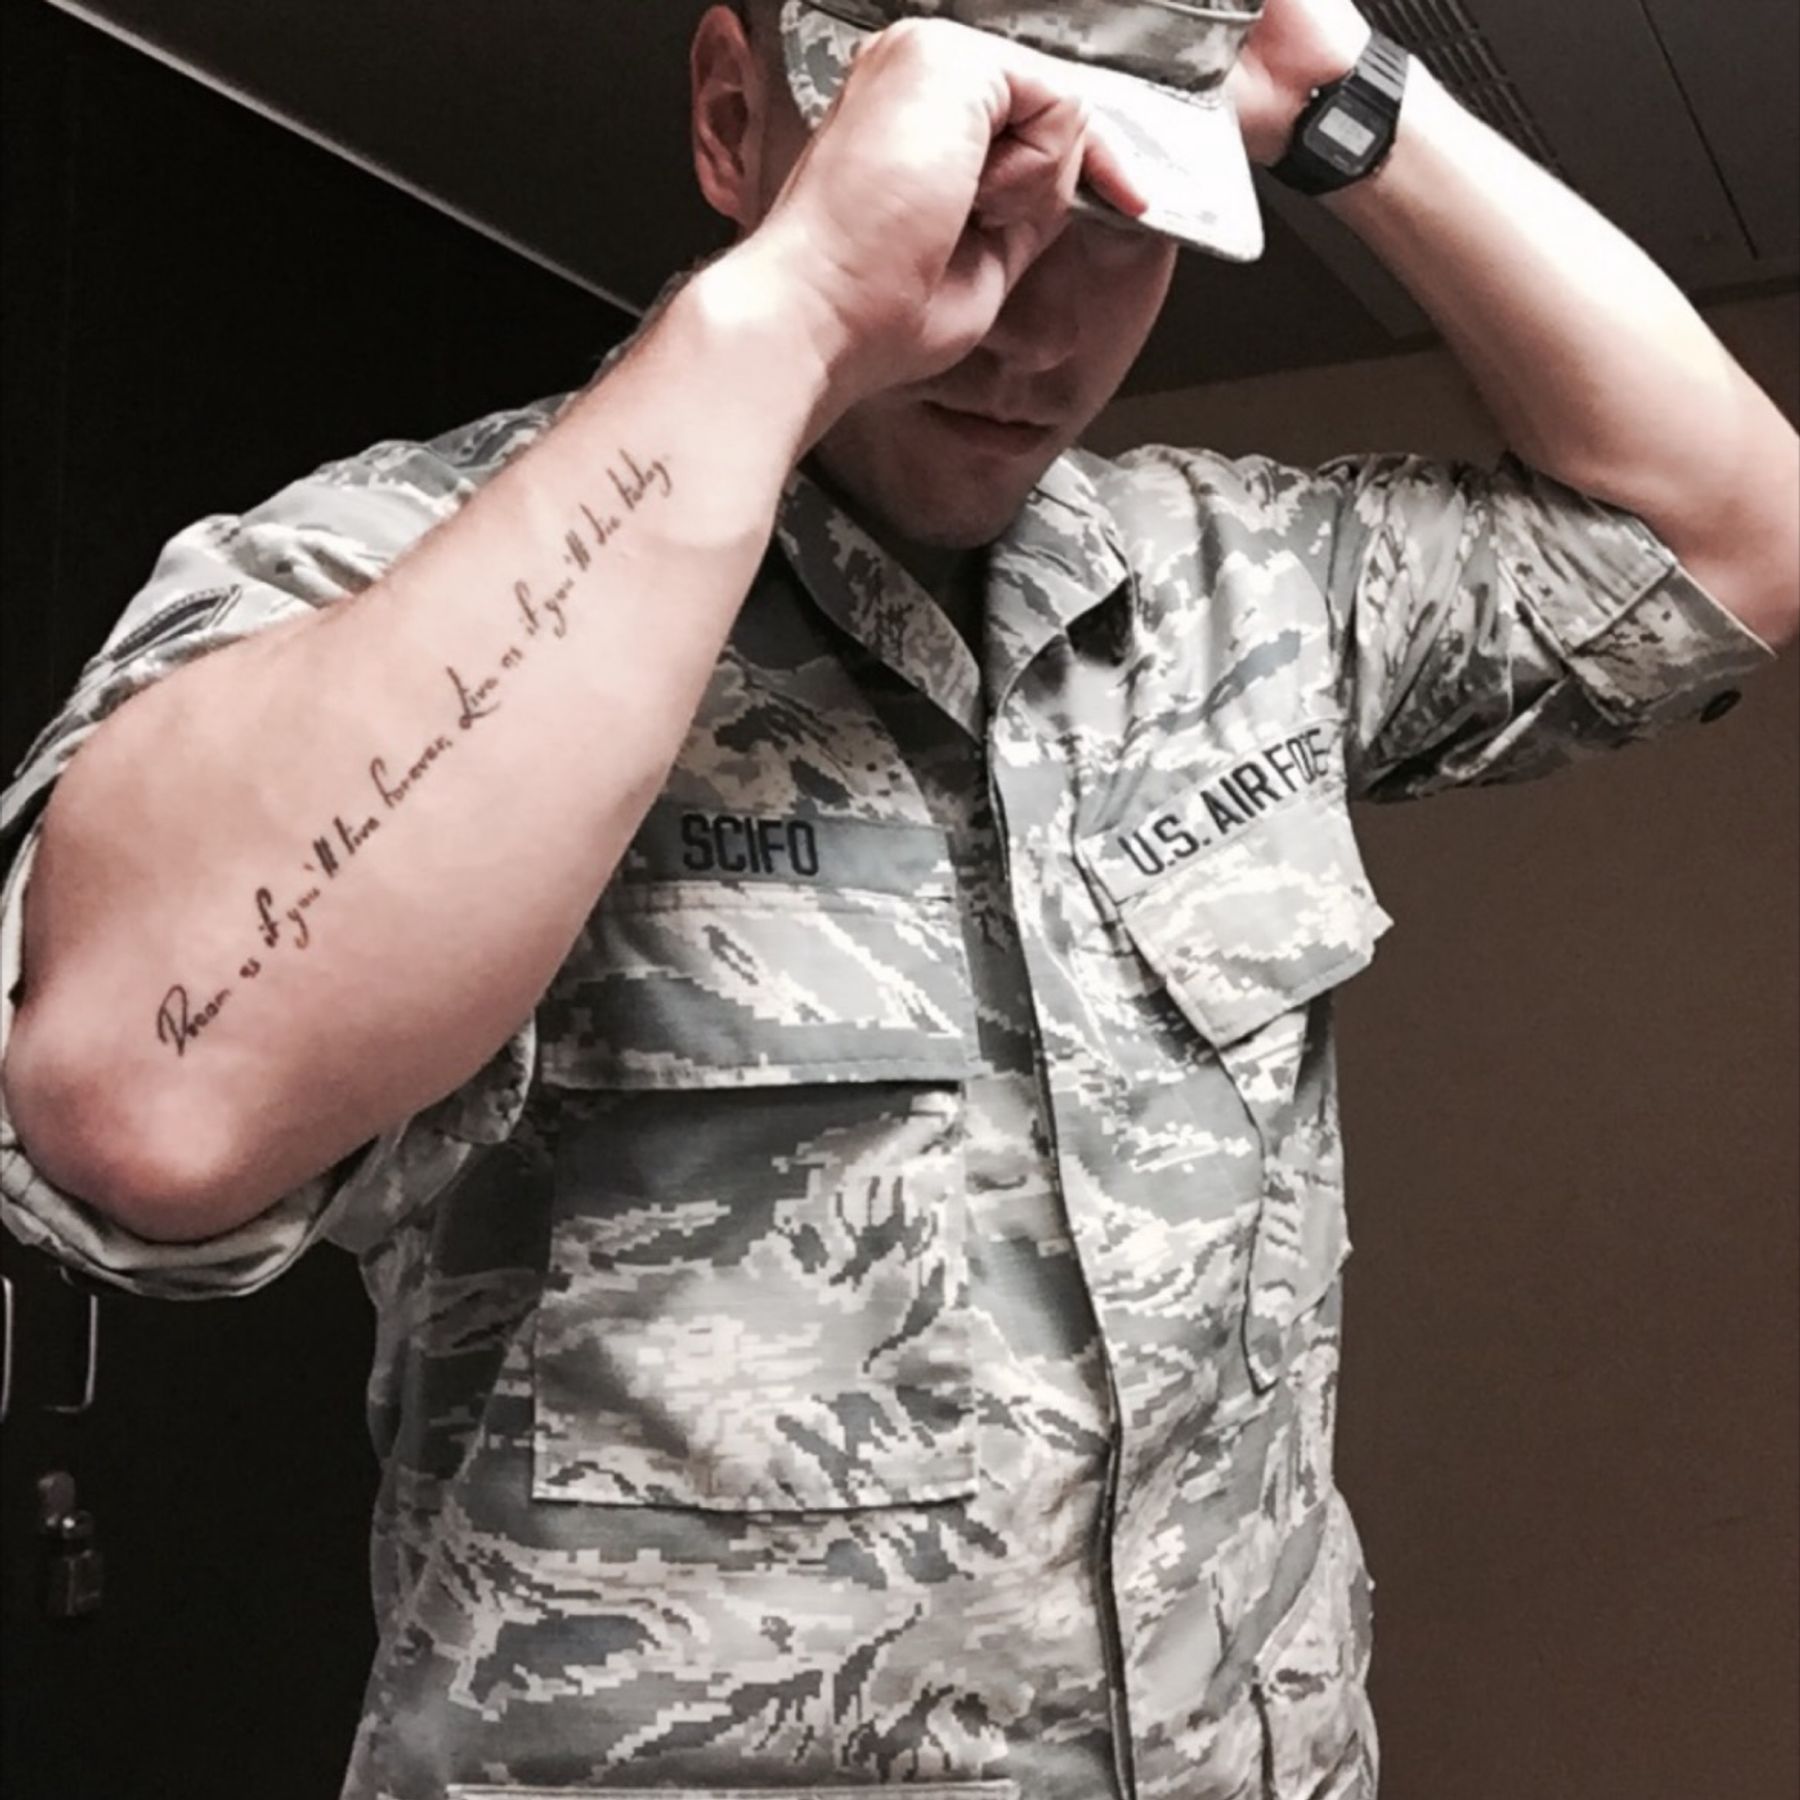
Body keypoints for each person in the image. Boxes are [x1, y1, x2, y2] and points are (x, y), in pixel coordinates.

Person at [1, 0, 1793, 1794]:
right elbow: (156, 1100)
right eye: (964, 197)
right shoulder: (410, 568)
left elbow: (1734, 539)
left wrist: (1349, 97)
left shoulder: (1236, 583)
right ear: (734, 120)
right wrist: (793, 305)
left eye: (1124, 219)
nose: (1031, 322)